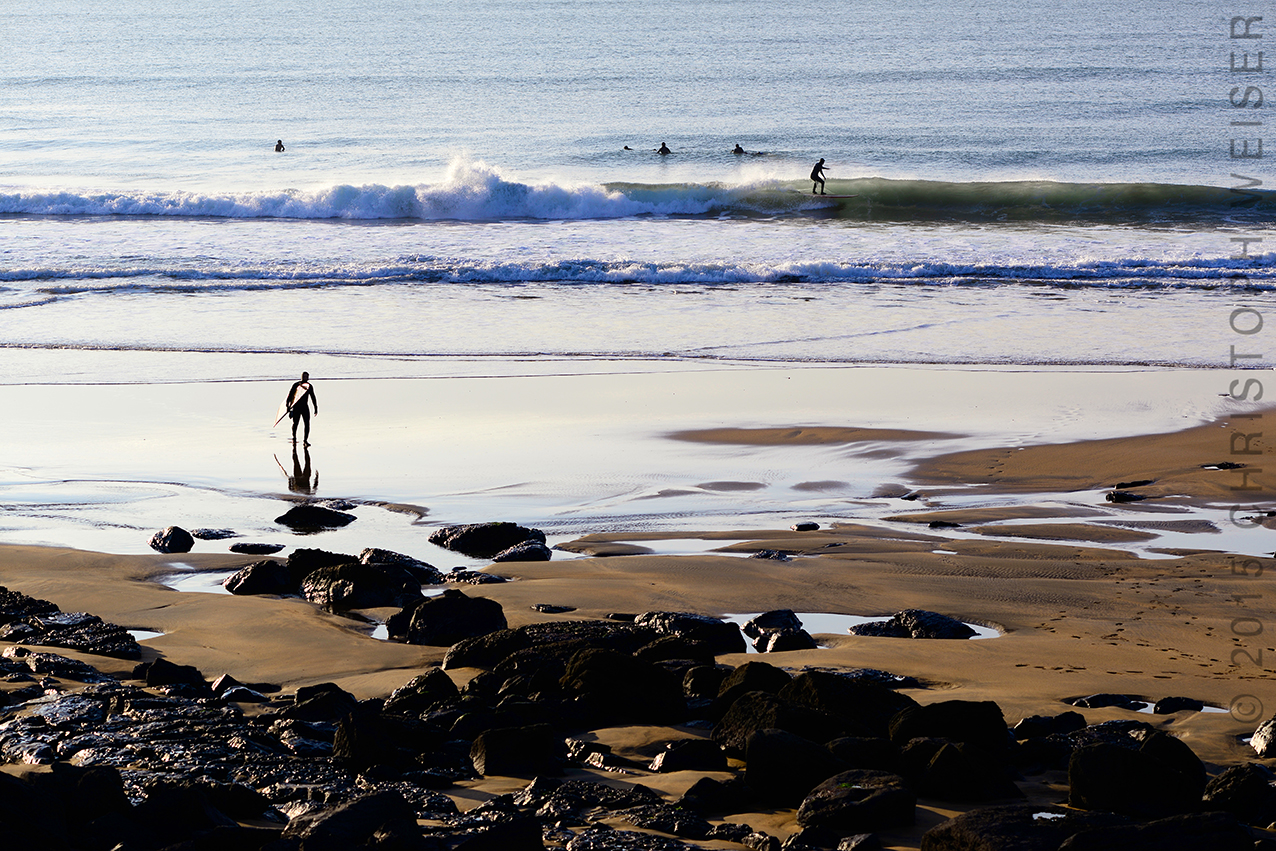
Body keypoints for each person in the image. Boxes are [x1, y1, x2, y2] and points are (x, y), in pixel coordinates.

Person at [283, 371, 318, 445]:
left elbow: (313, 397)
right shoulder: (296, 385)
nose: (305, 378)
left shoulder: (309, 386)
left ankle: (305, 440)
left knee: (307, 424)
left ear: (308, 378)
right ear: (301, 377)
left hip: (305, 407)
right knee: (295, 423)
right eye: (303, 376)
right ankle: (294, 437)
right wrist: (288, 406)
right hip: (296, 407)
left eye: (306, 376)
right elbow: (290, 395)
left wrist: (315, 407)